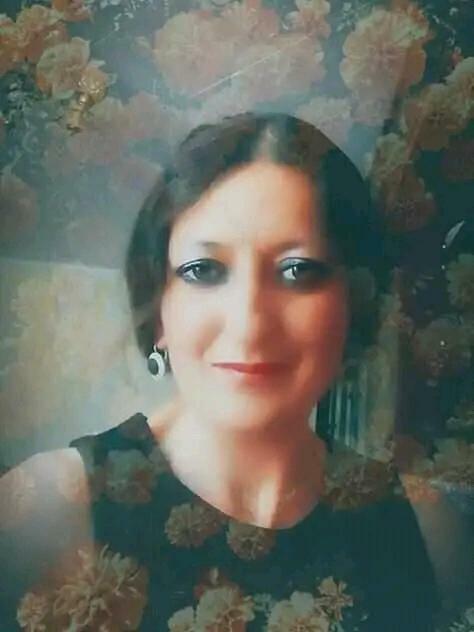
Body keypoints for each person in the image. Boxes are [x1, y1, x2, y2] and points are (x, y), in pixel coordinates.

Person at [0, 112, 440, 631]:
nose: (249, 323)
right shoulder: (44, 509)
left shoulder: (428, 531)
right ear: (158, 308)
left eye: (297, 271)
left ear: (354, 304)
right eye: (203, 271)